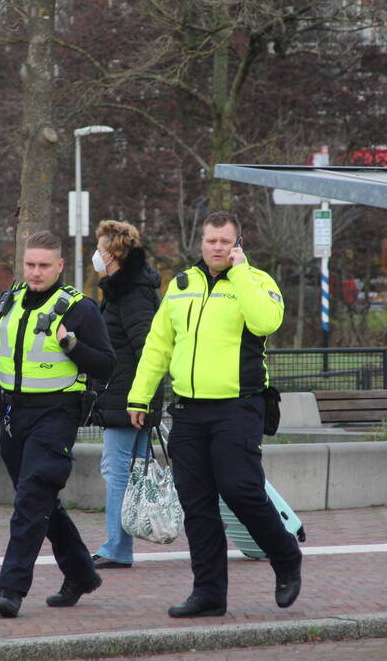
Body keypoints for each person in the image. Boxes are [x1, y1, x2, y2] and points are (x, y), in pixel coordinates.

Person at [126, 211, 302, 618]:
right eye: (211, 241)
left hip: (238, 406)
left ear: (238, 244)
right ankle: (208, 594)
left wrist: (240, 275)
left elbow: (266, 321)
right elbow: (158, 345)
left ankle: (285, 556)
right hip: (188, 410)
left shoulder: (256, 282)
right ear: (201, 242)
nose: (218, 247)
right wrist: (139, 397)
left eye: (226, 241)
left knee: (240, 488)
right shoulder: (182, 284)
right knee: (197, 503)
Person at [0, 230, 116, 618]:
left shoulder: (79, 308)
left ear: (59, 266)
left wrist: (70, 344)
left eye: (43, 266)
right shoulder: (10, 299)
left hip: (56, 416)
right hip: (11, 417)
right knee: (42, 504)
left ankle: (11, 589)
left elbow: (106, 365)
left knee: (30, 501)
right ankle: (82, 574)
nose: (35, 273)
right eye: (29, 265)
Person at [88, 220, 163, 568]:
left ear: (113, 254)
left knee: (116, 471)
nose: (96, 256)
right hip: (131, 398)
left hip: (128, 401)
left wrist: (140, 399)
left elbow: (148, 347)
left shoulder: (131, 294)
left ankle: (117, 548)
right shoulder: (127, 291)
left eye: (100, 249)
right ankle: (119, 545)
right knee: (128, 471)